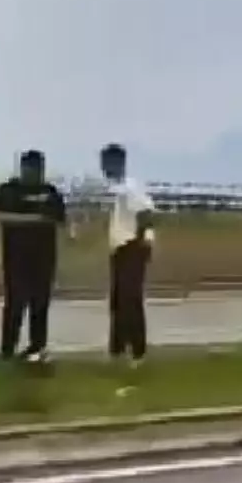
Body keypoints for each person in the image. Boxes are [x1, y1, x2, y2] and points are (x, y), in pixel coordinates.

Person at [0, 149, 67, 363]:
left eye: (39, 170)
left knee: (40, 303)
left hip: (44, 257)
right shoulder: (8, 190)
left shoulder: (51, 192)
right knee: (15, 303)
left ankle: (37, 347)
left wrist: (38, 220)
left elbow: (59, 219)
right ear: (23, 168)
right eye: (31, 169)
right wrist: (36, 218)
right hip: (15, 257)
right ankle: (7, 349)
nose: (35, 174)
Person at [100, 141, 154, 364]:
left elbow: (146, 213)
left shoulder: (130, 187)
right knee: (118, 301)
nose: (104, 167)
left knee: (130, 299)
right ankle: (118, 348)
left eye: (107, 163)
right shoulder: (116, 189)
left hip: (131, 247)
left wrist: (143, 243)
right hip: (119, 250)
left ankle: (137, 351)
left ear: (118, 163)